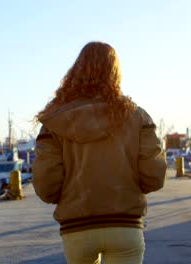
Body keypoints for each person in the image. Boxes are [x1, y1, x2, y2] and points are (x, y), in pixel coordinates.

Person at [32, 41, 166, 264]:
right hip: (125, 225)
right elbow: (154, 176)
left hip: (77, 228)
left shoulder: (55, 120)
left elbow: (46, 184)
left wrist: (65, 196)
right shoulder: (137, 116)